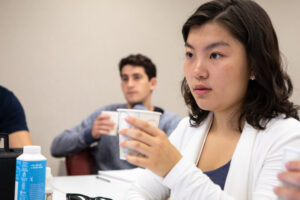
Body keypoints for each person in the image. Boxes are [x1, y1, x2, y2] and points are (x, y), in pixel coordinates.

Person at [119, 0, 300, 199]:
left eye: (215, 55)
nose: (197, 71)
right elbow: (139, 192)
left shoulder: (288, 136)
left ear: (254, 65)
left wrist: (175, 169)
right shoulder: (187, 129)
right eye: (190, 54)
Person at [51, 54, 181, 171]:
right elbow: (56, 147)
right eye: (125, 79)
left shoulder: (170, 122)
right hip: (104, 188)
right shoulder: (107, 115)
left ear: (152, 83)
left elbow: (176, 164)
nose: (129, 84)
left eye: (137, 77)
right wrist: (89, 134)